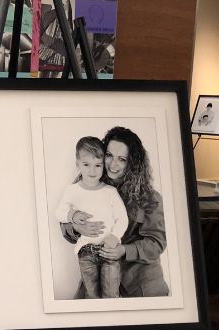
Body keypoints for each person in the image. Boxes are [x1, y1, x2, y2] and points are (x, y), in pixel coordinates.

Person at [61, 126, 169, 297]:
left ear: (133, 163)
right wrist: (77, 226)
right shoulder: (88, 181)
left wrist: (124, 250)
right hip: (96, 271)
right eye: (109, 156)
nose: (113, 164)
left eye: (122, 159)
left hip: (139, 280)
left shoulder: (150, 198)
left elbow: (157, 243)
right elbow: (64, 218)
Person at [55, 137, 128, 298]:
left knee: (111, 295)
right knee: (91, 295)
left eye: (97, 165)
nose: (92, 171)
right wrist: (72, 215)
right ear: (78, 164)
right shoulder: (72, 190)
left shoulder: (110, 192)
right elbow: (59, 212)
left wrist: (114, 237)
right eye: (86, 165)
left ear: (103, 165)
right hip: (86, 253)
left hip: (109, 251)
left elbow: (122, 219)